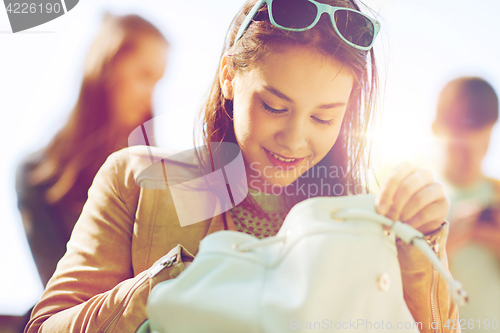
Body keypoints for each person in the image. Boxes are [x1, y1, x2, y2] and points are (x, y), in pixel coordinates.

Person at [25, 1, 458, 332]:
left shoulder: (368, 217)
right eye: (274, 106)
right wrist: (170, 287)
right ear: (229, 77)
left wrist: (422, 245)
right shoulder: (141, 183)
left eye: (324, 117)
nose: (294, 139)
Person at [16, 13, 168, 287]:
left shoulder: (157, 175)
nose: (150, 95)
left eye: (157, 81)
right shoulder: (36, 174)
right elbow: (59, 285)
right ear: (107, 68)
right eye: (144, 76)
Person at [432, 76, 500, 328]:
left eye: (482, 142)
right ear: (436, 128)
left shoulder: (497, 194)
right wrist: (439, 252)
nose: (472, 154)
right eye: (461, 146)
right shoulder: (416, 202)